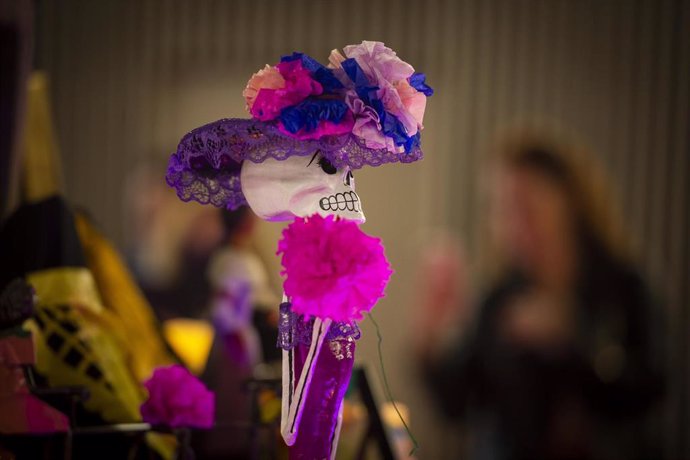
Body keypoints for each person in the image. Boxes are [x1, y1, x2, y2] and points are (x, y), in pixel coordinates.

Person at [416, 133, 665, 460]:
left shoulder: (624, 287)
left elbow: (648, 394)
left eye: (525, 203)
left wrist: (574, 337)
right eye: (501, 208)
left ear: (568, 201)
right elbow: (457, 406)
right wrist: (431, 337)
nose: (513, 222)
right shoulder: (502, 297)